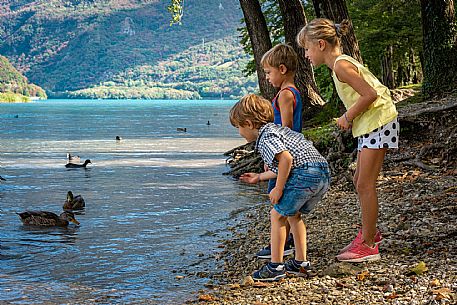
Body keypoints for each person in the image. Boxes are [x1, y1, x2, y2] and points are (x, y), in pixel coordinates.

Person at [297, 18, 399, 262]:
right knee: (359, 180)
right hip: (372, 124)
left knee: (365, 184)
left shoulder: (341, 66)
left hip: (379, 122)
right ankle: (369, 231)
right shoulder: (339, 66)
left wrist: (347, 116)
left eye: (307, 48)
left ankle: (369, 244)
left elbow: (370, 94)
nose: (306, 54)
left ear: (320, 44)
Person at [230, 94, 330, 281]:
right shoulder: (276, 131)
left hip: (306, 173)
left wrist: (279, 188)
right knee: (293, 214)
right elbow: (287, 166)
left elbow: (286, 160)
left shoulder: (265, 137)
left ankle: (275, 267)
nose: (239, 133)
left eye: (239, 127)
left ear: (250, 124)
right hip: (321, 172)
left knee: (277, 215)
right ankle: (300, 262)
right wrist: (260, 177)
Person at [241, 43, 303, 259]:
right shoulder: (288, 92)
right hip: (288, 153)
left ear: (282, 69)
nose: (267, 78)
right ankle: (288, 241)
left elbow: (285, 129)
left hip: (283, 153)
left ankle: (283, 243)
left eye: (269, 72)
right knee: (285, 200)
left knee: (279, 196)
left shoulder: (285, 95)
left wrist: (275, 157)